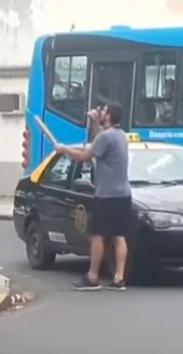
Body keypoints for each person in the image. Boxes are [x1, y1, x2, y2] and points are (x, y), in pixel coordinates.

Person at [54, 102, 131, 291]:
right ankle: (119, 278)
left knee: (98, 235)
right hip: (123, 194)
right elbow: (98, 142)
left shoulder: (106, 137)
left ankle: (92, 276)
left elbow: (85, 156)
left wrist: (64, 150)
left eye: (103, 111)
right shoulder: (121, 136)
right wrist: (95, 122)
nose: (100, 112)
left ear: (109, 116)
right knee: (119, 236)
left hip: (106, 195)